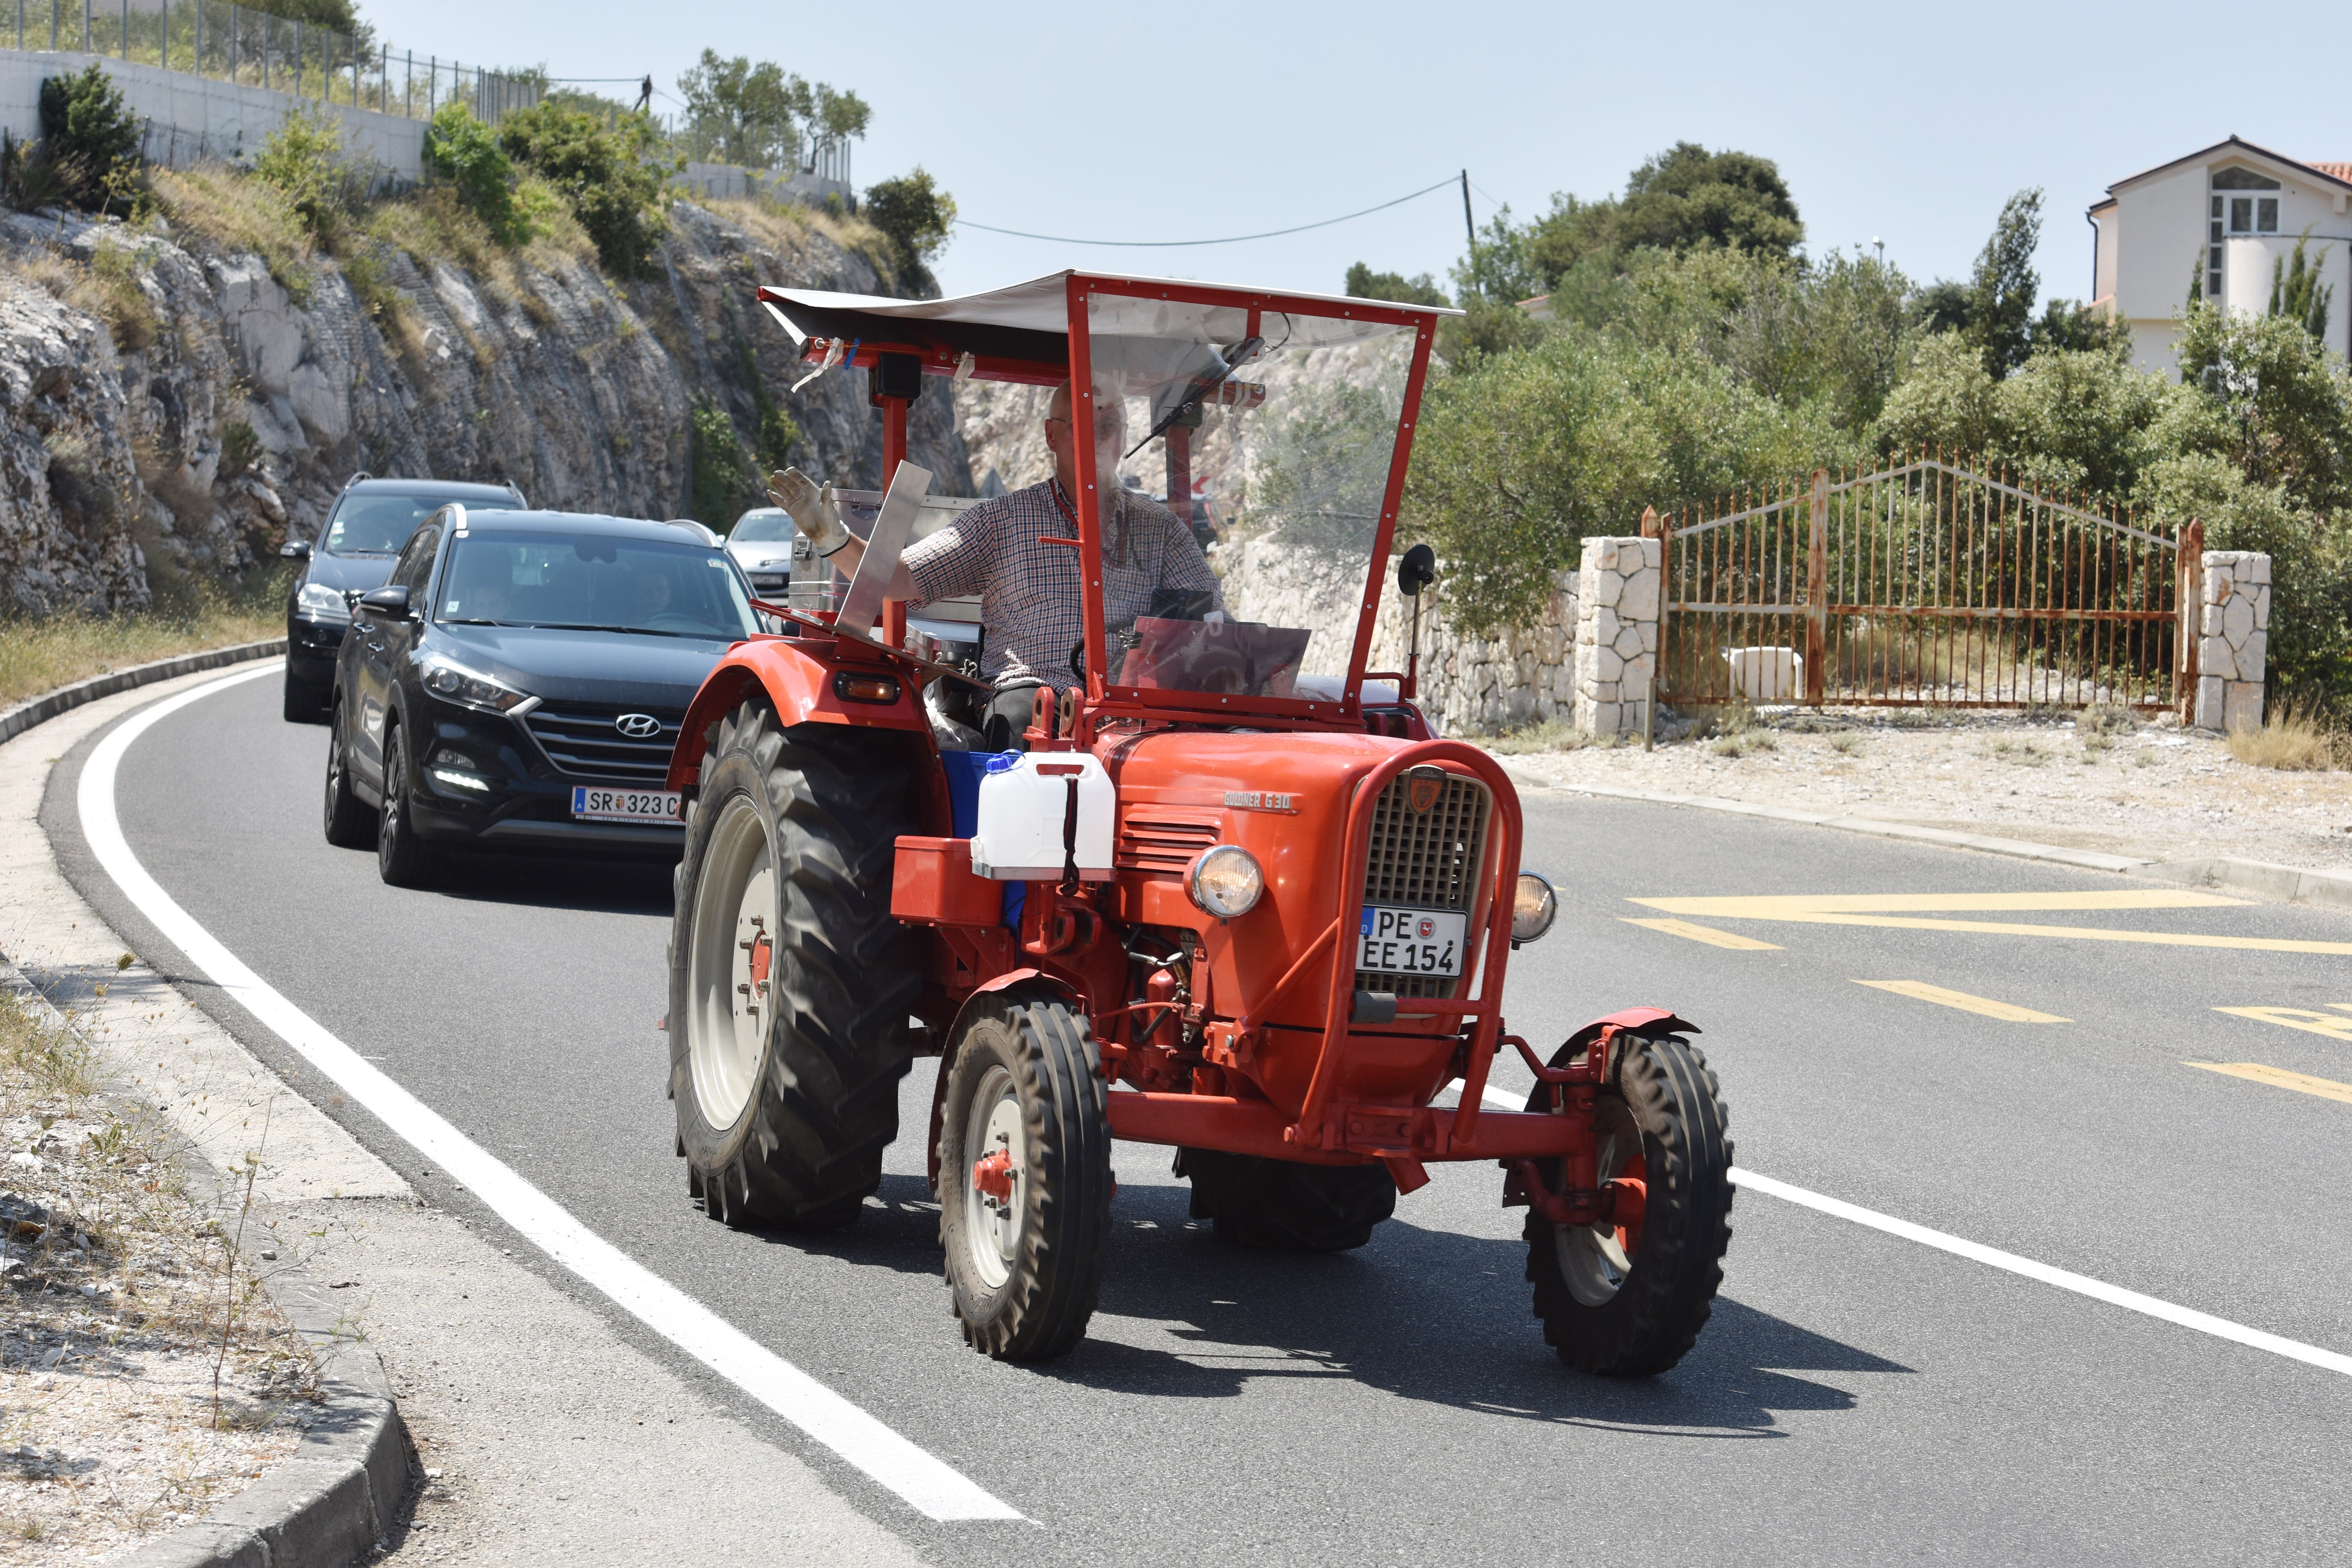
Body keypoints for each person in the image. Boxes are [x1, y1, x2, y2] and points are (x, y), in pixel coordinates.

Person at [770, 382, 1222, 745]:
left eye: (1111, 425)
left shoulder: (1161, 530)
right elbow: (898, 579)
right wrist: (833, 539)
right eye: (1084, 424)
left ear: (1124, 436)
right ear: (1051, 435)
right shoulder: (1002, 519)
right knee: (1023, 724)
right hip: (1033, 692)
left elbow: (1210, 618)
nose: (1099, 437)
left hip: (1132, 706)